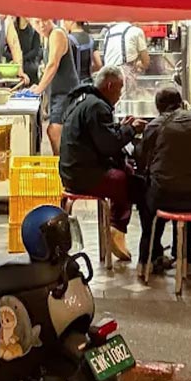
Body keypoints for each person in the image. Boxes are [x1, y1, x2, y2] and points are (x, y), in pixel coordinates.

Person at [136, 87, 191, 283]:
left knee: (147, 200)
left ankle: (147, 260)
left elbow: (140, 160)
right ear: (181, 102)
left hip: (163, 197)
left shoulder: (155, 126)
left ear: (158, 108)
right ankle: (187, 263)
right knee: (188, 200)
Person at [58, 66, 143, 263]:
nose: (120, 94)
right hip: (84, 175)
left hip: (71, 171)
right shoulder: (97, 107)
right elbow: (108, 145)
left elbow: (98, 136)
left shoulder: (84, 100)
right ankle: (117, 228)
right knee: (127, 179)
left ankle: (116, 228)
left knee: (126, 170)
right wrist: (130, 130)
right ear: (110, 85)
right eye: (120, 89)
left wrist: (120, 127)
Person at [32, 18, 97, 154]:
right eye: (37, 22)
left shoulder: (57, 33)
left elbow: (53, 65)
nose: (42, 25)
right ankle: (62, 168)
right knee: (56, 133)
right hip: (57, 94)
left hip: (65, 94)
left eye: (45, 20)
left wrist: (38, 89)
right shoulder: (47, 37)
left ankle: (63, 170)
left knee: (55, 131)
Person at [101, 21, 150, 93]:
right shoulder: (136, 31)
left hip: (107, 75)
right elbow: (146, 61)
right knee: (126, 100)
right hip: (124, 76)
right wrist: (139, 65)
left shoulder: (109, 32)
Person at [3, 16, 44, 88]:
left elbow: (35, 51)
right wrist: (15, 60)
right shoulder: (10, 25)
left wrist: (21, 59)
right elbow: (6, 49)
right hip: (13, 65)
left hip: (29, 64)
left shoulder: (34, 30)